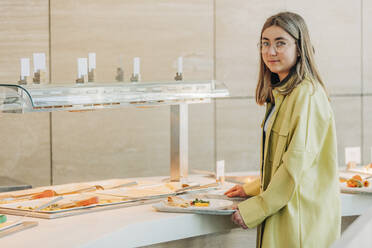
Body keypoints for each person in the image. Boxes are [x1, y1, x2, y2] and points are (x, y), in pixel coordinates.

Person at [224, 12, 341, 248]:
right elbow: (280, 160)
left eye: (281, 43)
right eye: (265, 44)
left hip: (301, 220)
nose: (271, 51)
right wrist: (251, 188)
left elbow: (294, 165)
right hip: (287, 212)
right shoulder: (282, 94)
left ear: (299, 48)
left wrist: (257, 207)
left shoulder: (307, 95)